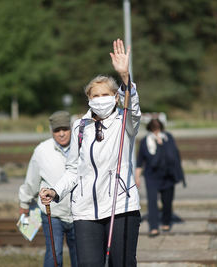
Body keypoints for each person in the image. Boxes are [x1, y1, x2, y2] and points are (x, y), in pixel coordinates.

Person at [40, 39, 141, 267]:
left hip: (121, 208)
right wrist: (56, 191)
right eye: (95, 96)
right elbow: (73, 169)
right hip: (85, 212)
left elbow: (133, 108)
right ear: (88, 99)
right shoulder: (79, 127)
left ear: (116, 97)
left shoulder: (126, 121)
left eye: (105, 94)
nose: (100, 100)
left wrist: (125, 78)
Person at [18, 110, 77, 267]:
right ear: (52, 131)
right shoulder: (42, 151)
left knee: (79, 258)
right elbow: (32, 180)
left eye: (65, 129)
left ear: (71, 128)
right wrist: (24, 204)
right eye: (57, 130)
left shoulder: (82, 147)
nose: (62, 134)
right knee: (54, 254)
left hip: (79, 214)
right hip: (52, 213)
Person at [135, 118, 186, 237]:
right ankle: (153, 227)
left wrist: (162, 145)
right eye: (154, 130)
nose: (156, 132)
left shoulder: (168, 138)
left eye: (158, 129)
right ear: (150, 129)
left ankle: (166, 221)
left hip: (168, 175)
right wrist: (137, 177)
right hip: (151, 176)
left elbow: (175, 156)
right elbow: (140, 161)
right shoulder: (145, 141)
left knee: (167, 201)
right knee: (152, 202)